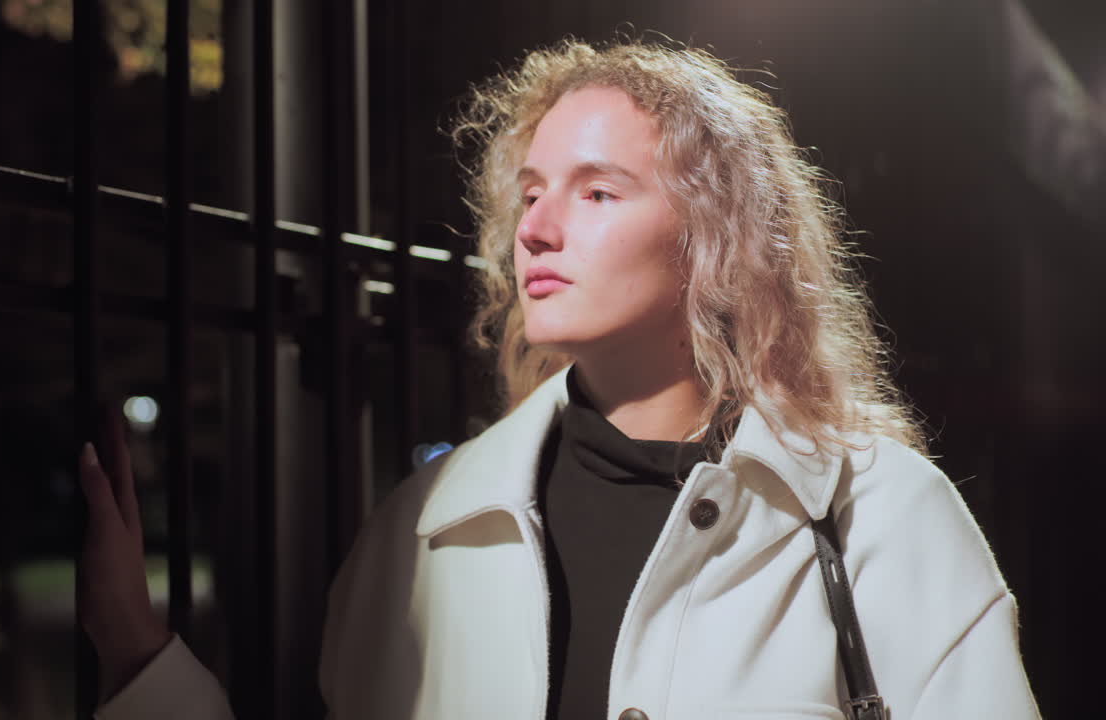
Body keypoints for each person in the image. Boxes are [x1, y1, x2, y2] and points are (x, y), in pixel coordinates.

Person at [79, 38, 1042, 720]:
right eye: (532, 192)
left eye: (597, 191)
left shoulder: (881, 515)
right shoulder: (422, 535)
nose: (534, 227)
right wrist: (139, 658)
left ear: (714, 237)